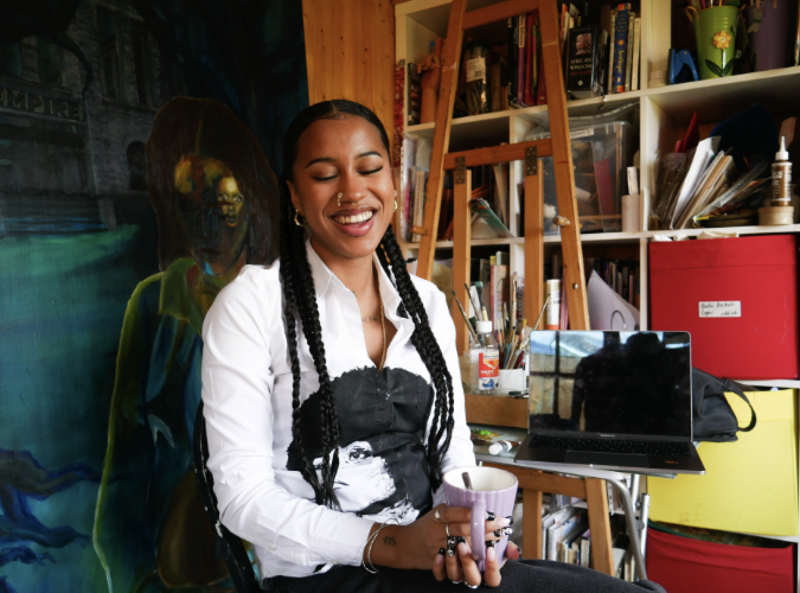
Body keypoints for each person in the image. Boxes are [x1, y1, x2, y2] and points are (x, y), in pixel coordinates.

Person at [201, 99, 666, 592]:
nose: (353, 190)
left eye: (370, 169)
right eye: (324, 175)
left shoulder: (423, 301)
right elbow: (242, 498)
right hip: (325, 577)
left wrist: (473, 532)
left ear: (393, 187)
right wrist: (394, 543)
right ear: (294, 195)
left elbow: (454, 447)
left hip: (432, 558)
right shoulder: (251, 305)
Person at [94, 97, 280, 592]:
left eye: (224, 206)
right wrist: (132, 575)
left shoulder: (285, 301)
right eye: (189, 208)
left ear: (253, 201)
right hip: (176, 573)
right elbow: (125, 464)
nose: (206, 230)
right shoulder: (155, 304)